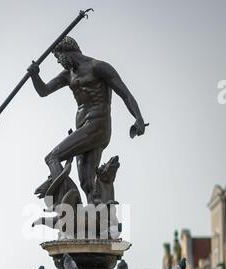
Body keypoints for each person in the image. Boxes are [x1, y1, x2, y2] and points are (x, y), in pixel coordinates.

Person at [28, 37, 146, 204]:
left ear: (67, 52)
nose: (58, 62)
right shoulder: (67, 75)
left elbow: (125, 94)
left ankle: (64, 201)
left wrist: (138, 118)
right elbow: (44, 90)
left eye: (58, 57)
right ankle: (95, 217)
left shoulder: (97, 67)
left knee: (52, 157)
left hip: (97, 125)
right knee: (87, 183)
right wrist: (34, 75)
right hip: (83, 128)